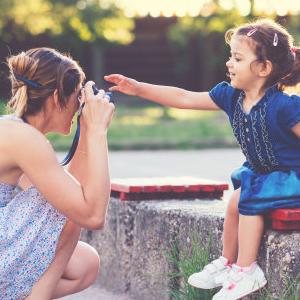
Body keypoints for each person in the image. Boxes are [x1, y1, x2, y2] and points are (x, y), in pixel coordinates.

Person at [105, 18, 300, 300]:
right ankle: (228, 263)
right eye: (230, 57)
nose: (229, 63)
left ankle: (248, 271)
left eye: (238, 58)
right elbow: (184, 97)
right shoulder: (231, 96)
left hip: (290, 179)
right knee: (235, 199)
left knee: (249, 200)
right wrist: (139, 88)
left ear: (263, 68)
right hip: (263, 178)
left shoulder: (285, 105)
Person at [0, 47, 115, 299]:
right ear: (55, 98)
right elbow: (91, 215)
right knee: (66, 214)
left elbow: (67, 192)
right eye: (77, 96)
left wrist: (85, 130)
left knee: (84, 264)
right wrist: (97, 132)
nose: (78, 107)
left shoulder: (17, 133)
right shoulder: (24, 139)